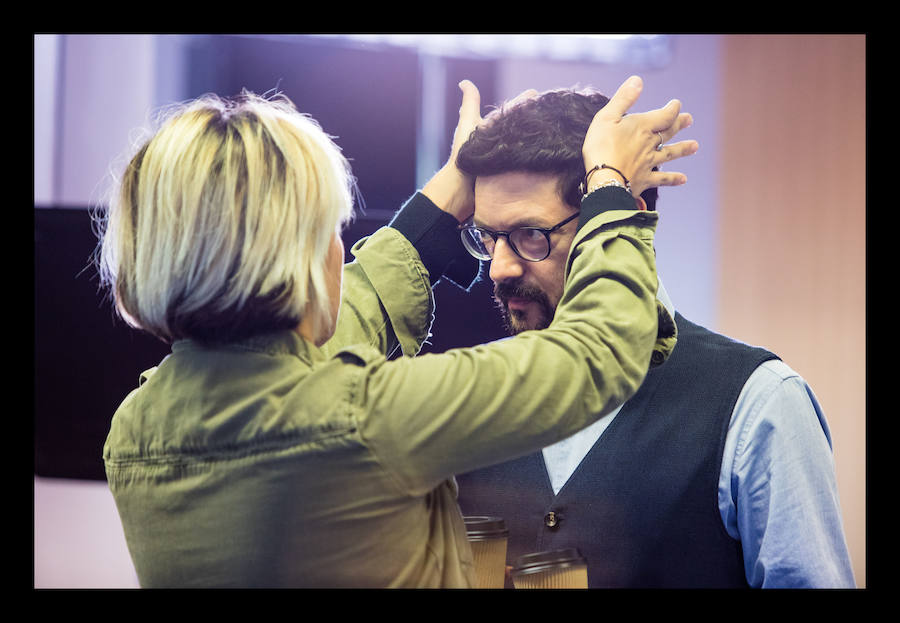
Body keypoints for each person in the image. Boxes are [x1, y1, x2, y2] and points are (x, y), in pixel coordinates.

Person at [96, 76, 697, 587]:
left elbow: (347, 314)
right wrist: (611, 186)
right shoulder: (362, 421)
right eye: (328, 230)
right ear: (296, 262)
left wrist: (456, 185)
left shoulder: (135, 430)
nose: (341, 252)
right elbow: (599, 352)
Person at [453, 86, 856, 588]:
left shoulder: (759, 404)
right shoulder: (468, 396)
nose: (499, 268)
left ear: (620, 219)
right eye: (486, 237)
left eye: (531, 235)